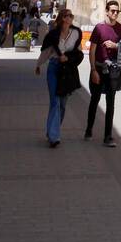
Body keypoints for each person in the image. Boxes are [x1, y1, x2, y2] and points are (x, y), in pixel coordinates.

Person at [35, 8, 84, 147]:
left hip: (67, 70)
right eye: (69, 16)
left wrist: (68, 58)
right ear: (63, 18)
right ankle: (54, 136)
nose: (71, 18)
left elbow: (78, 53)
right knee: (55, 102)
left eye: (72, 16)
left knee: (62, 104)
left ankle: (52, 130)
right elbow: (47, 51)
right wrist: (38, 65)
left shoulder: (76, 34)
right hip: (54, 68)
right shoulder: (53, 34)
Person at [84, 0, 121, 147]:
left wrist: (116, 45)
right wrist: (93, 70)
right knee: (94, 101)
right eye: (113, 11)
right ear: (107, 12)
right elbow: (92, 50)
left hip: (113, 71)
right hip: (99, 69)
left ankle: (108, 136)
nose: (115, 13)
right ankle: (89, 129)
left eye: (117, 11)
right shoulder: (99, 28)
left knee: (111, 103)